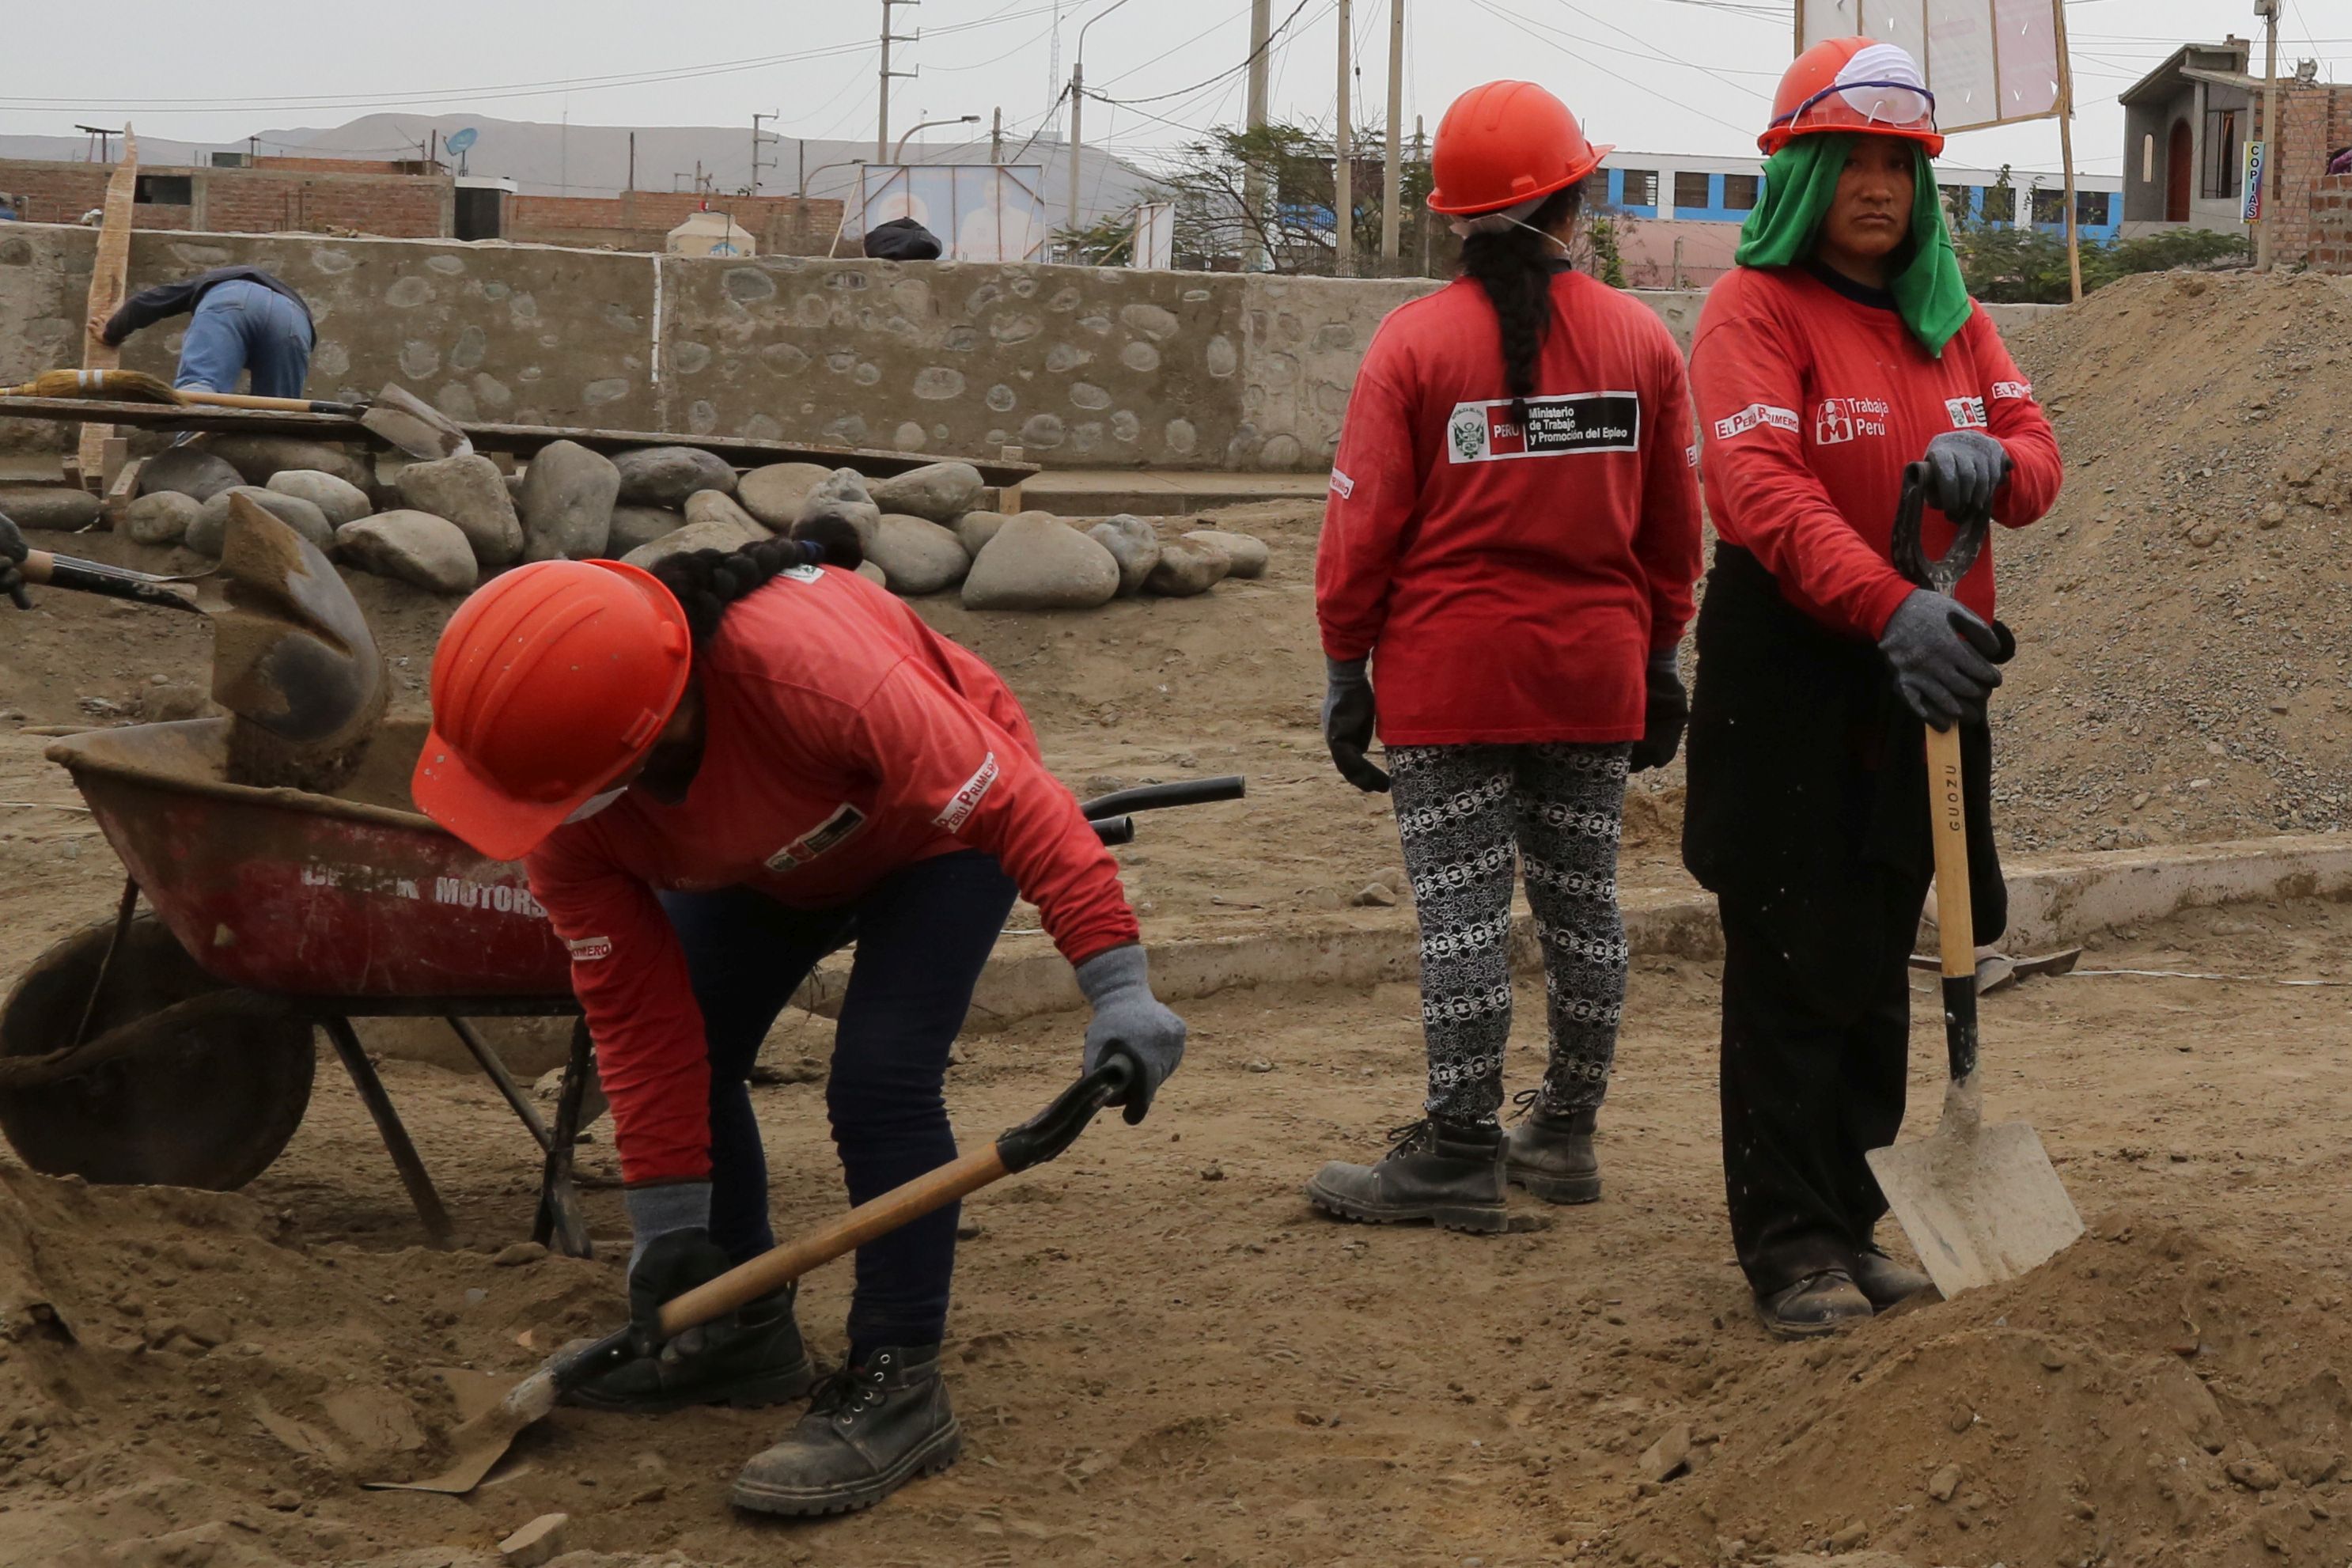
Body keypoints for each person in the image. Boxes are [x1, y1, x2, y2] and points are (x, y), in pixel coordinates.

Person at [409, 524, 1187, 1516]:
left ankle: (900, 1376)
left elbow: (1024, 810)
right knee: (704, 1035)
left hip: (931, 840)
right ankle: (738, 1329)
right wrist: (667, 1228)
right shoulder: (573, 816)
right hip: (763, 857)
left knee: (879, 1077)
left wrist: (1118, 986)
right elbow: (642, 1020)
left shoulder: (812, 673)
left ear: (648, 731)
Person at [1683, 36, 2062, 1337]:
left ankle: (1850, 1214)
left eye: (1897, 161)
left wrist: (1984, 462)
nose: (1876, 184)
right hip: (1794, 667)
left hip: (1927, 669)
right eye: (1849, 157)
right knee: (1793, 949)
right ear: (1798, 171)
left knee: (1886, 941)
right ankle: (1787, 1241)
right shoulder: (1753, 312)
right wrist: (1885, 602)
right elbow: (1761, 492)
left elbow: (2035, 455)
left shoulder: (1948, 319)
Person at [1302, 80, 1704, 1233]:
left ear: (1453, 217)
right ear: (1577, 200)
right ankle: (1565, 1135)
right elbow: (1673, 532)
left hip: (1447, 681)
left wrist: (1345, 668)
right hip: (1594, 674)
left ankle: (1458, 1147)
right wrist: (1663, 656)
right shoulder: (1640, 339)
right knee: (1584, 904)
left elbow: (1361, 525)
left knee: (1463, 914)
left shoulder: (1412, 343)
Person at [93, 265, 316, 398]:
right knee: (278, 410)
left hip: (229, 301)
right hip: (293, 318)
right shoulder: (283, 294)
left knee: (200, 387)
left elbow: (146, 303)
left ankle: (191, 449)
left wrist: (111, 333)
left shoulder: (211, 281)